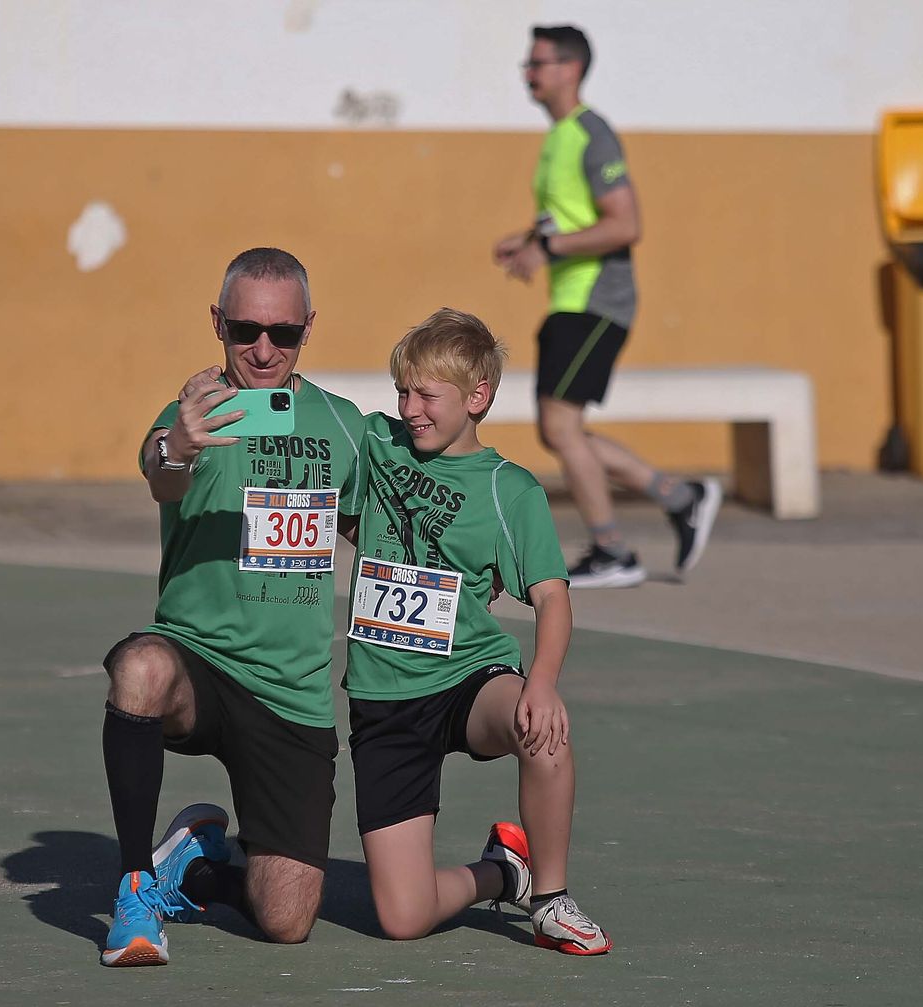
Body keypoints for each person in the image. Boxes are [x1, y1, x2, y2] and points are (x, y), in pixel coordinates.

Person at [99, 247, 366, 966]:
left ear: (309, 328)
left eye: (283, 333)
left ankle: (197, 865)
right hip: (200, 667)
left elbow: (373, 531)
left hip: (291, 695)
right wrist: (180, 443)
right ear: (217, 322)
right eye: (246, 328)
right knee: (139, 667)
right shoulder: (192, 412)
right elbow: (162, 473)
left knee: (287, 919)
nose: (263, 347)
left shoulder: (345, 426)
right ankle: (135, 889)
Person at [339, 307, 611, 955]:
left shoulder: (509, 489)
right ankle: (502, 871)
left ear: (477, 397)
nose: (409, 408)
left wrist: (540, 681)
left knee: (541, 727)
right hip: (384, 699)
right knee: (403, 918)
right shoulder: (376, 444)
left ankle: (549, 897)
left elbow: (552, 597)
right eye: (402, 391)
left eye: (426, 394)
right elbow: (341, 481)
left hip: (468, 676)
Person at [493, 23, 721, 589]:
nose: (528, 73)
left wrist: (545, 247)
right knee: (561, 428)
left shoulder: (593, 134)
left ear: (570, 69)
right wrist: (528, 240)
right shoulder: (558, 138)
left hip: (597, 299)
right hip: (570, 298)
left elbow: (626, 223)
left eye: (538, 63)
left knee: (560, 424)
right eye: (528, 63)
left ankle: (613, 550)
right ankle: (680, 496)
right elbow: (570, 218)